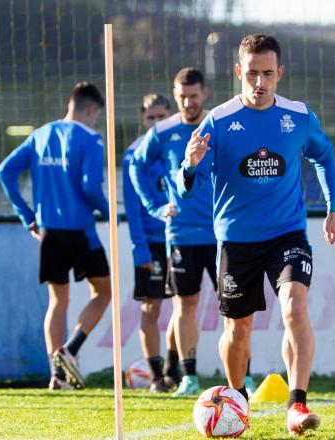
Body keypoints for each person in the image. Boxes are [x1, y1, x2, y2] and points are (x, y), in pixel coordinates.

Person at [177, 34, 335, 435]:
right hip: (236, 241)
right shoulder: (217, 121)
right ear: (238, 71)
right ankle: (237, 398)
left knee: (294, 307)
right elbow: (189, 188)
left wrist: (333, 209)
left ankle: (297, 405)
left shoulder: (299, 117)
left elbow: (323, 156)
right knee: (238, 329)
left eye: (267, 73)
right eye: (251, 73)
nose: (259, 82)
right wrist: (191, 165)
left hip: (288, 234)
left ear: (279, 73)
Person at [0, 82, 112, 391]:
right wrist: (108, 211)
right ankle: (70, 350)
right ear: (91, 110)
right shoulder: (90, 138)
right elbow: (90, 186)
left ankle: (56, 376)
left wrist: (27, 215)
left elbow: (4, 171)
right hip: (80, 230)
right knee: (103, 293)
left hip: (48, 229)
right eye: (96, 116)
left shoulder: (41, 134)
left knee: (57, 300)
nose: (95, 121)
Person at [130, 67, 217, 397]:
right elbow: (136, 166)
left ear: (204, 94)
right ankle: (190, 378)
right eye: (182, 96)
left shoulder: (219, 125)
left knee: (234, 306)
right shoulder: (163, 131)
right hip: (180, 233)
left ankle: (245, 378)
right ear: (175, 94)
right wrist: (155, 206)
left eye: (194, 96)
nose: (188, 102)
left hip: (223, 231)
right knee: (185, 304)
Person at [122, 93, 181, 392]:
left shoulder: (177, 146)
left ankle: (174, 367)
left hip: (179, 237)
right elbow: (132, 208)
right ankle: (156, 376)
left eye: (161, 116)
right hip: (151, 242)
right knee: (151, 307)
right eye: (150, 118)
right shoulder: (134, 155)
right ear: (142, 120)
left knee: (182, 304)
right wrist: (139, 247)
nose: (156, 122)